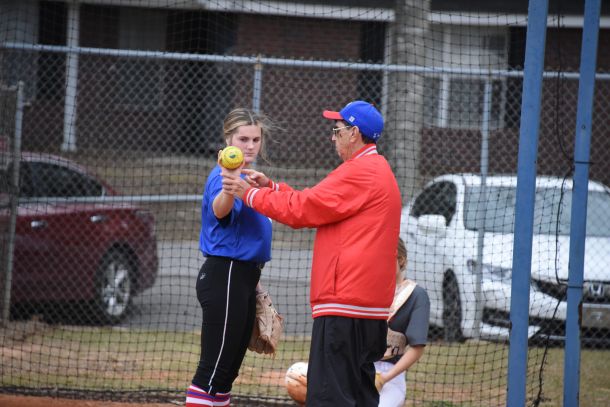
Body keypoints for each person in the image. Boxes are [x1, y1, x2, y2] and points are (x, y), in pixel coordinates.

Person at [221, 100, 402, 406]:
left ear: (354, 133)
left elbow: (303, 210)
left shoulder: (360, 171)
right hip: (363, 307)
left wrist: (249, 194)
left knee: (330, 397)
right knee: (359, 394)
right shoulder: (375, 169)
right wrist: (272, 188)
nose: (333, 137)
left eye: (337, 130)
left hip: (346, 304)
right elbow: (318, 202)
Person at [185, 108, 274, 407]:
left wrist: (254, 284)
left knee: (225, 375)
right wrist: (228, 189)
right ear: (228, 140)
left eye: (256, 139)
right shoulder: (224, 175)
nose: (250, 146)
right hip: (225, 275)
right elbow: (220, 211)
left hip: (242, 277)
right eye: (243, 139)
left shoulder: (247, 177)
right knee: (211, 373)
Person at [374, 237, 430, 407]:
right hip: (358, 370)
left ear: (401, 260)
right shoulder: (367, 290)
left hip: (391, 375)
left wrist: (383, 378)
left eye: (386, 259)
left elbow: (417, 348)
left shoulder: (416, 295)